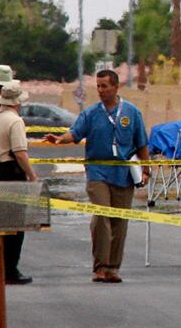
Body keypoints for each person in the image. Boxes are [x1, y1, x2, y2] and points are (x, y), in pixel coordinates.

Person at [45, 69, 150, 283]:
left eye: (105, 86)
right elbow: (75, 133)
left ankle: (112, 267)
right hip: (97, 173)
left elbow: (141, 143)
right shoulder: (91, 113)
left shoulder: (131, 112)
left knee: (119, 221)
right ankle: (100, 266)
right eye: (98, 86)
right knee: (102, 215)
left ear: (116, 87)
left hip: (123, 174)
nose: (101, 90)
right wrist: (60, 139)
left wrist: (146, 170)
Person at [0, 80, 38, 285]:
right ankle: (11, 269)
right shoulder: (15, 121)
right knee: (15, 224)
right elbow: (20, 152)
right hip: (10, 171)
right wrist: (32, 176)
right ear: (17, 102)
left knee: (0, 224)